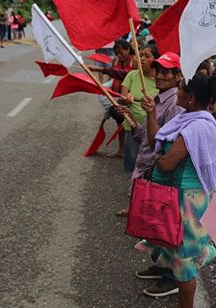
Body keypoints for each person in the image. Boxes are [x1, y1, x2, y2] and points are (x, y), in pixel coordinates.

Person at [135, 72, 216, 308]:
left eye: (181, 88)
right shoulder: (186, 119)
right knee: (174, 249)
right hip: (176, 195)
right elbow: (156, 142)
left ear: (191, 98)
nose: (177, 92)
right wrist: (151, 113)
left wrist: (161, 158)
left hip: (187, 201)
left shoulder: (195, 127)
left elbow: (166, 162)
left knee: (184, 260)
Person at [117, 52, 185, 297]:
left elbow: (162, 143)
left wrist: (150, 115)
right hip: (147, 166)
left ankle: (172, 276)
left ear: (178, 76)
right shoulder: (157, 99)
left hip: (160, 171)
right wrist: (130, 120)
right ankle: (160, 266)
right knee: (153, 225)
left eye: (168, 72)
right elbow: (146, 137)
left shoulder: (176, 103)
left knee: (164, 224)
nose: (161, 75)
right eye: (159, 70)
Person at [88, 39, 137, 158]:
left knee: (132, 126)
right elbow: (113, 76)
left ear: (128, 49)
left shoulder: (135, 61)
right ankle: (121, 150)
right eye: (117, 53)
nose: (119, 56)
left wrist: (100, 69)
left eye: (121, 52)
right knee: (119, 122)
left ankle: (135, 153)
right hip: (117, 97)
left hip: (130, 99)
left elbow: (124, 75)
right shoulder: (116, 60)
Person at [118, 44, 160, 175]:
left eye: (147, 56)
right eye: (141, 55)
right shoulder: (132, 75)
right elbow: (121, 99)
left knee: (148, 167)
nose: (142, 59)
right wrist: (125, 100)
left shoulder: (161, 80)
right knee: (135, 164)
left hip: (152, 130)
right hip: (132, 126)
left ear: (156, 59)